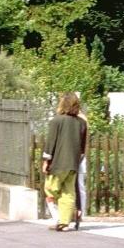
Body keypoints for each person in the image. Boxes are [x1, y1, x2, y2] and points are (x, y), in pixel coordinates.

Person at [42, 92, 87, 232]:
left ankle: (59, 218)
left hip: (58, 163)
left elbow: (51, 143)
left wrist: (46, 161)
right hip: (73, 163)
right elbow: (82, 145)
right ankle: (64, 222)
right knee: (69, 192)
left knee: (50, 189)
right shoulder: (82, 123)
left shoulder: (56, 121)